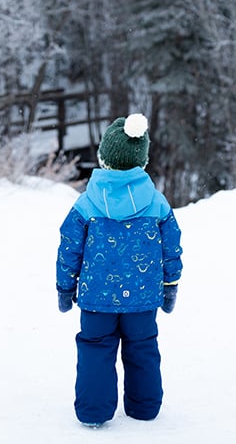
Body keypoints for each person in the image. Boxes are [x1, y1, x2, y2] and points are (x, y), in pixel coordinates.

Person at [56, 113, 183, 427]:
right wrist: (170, 285)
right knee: (142, 348)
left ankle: (93, 411)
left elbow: (69, 248)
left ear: (103, 159)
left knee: (95, 349)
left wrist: (64, 287)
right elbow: (172, 249)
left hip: (96, 299)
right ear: (142, 161)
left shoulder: (86, 205)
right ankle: (144, 407)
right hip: (142, 298)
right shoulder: (158, 204)